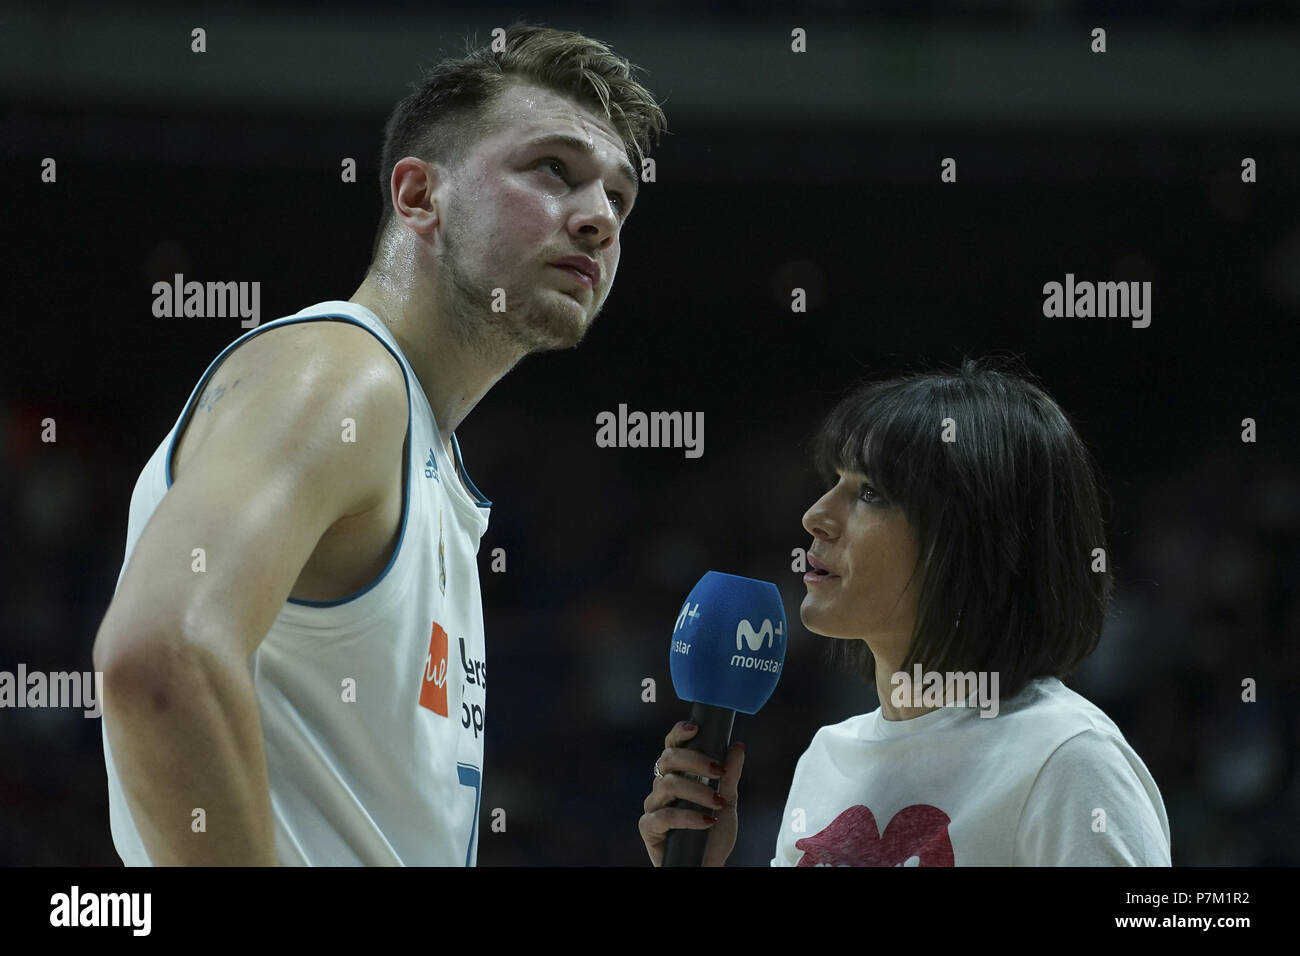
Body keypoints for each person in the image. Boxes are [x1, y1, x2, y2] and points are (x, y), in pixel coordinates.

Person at [93, 23, 665, 866]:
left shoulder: (420, 447)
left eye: (619, 198)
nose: (597, 220)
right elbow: (156, 653)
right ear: (417, 196)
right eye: (554, 171)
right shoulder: (341, 373)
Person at [639, 358, 1172, 866]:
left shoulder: (1068, 759)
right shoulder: (827, 758)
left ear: (972, 541)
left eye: (869, 492)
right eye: (836, 482)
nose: (815, 515)